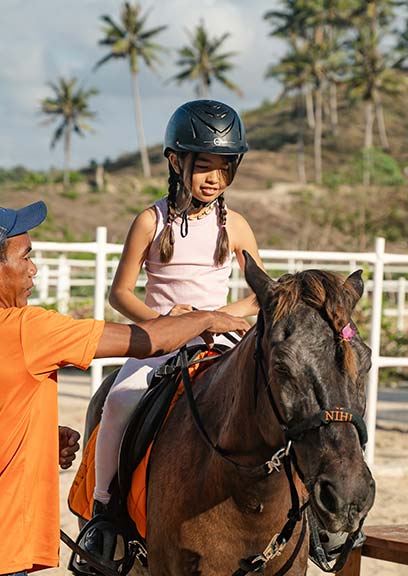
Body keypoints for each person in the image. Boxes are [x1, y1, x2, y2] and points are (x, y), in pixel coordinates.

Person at [0, 200, 249, 576]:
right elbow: (146, 339)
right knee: (117, 402)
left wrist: (36, 442)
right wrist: (207, 316)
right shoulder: (27, 329)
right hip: (5, 548)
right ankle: (106, 511)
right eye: (26, 257)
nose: (34, 268)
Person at [90, 99, 264, 525]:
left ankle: (303, 509)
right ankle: (103, 509)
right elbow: (120, 293)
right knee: (117, 403)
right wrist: (168, 323)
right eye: (205, 166)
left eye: (224, 168)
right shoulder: (151, 221)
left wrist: (216, 316)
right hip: (161, 341)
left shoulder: (236, 225)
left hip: (221, 340)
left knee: (277, 399)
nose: (215, 178)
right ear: (175, 161)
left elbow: (261, 295)